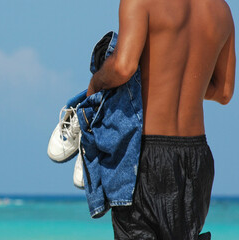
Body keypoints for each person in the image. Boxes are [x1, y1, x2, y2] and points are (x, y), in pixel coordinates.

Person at [86, 0, 236, 239]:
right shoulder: (221, 10)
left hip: (145, 154)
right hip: (196, 158)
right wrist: (188, 84)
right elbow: (224, 91)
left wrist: (95, 83)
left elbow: (123, 67)